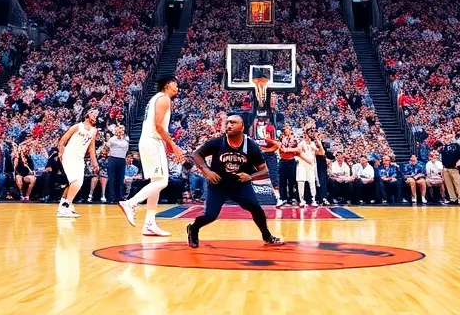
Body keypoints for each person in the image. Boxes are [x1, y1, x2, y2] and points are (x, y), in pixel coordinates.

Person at [185, 115, 284, 249]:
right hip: (218, 184)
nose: (229, 125)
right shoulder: (218, 142)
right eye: (228, 122)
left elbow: (264, 170)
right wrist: (207, 171)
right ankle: (193, 228)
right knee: (210, 215)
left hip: (240, 185)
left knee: (257, 210)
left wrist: (250, 176)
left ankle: (267, 236)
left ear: (242, 127)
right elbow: (197, 154)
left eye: (233, 122)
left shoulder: (251, 145)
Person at [119, 76, 183, 237]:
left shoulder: (155, 99)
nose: (178, 88)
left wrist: (166, 145)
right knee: (162, 181)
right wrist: (173, 145)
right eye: (175, 84)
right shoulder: (164, 99)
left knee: (156, 182)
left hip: (151, 141)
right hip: (152, 141)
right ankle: (130, 203)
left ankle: (149, 224)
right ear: (168, 85)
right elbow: (159, 125)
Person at [57, 108, 100, 218]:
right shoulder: (77, 126)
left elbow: (91, 149)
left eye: (97, 114)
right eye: (93, 112)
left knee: (75, 183)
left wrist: (95, 163)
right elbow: (63, 139)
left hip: (80, 159)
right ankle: (67, 206)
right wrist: (60, 151)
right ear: (87, 114)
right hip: (69, 155)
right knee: (76, 181)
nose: (96, 115)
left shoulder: (94, 131)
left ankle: (63, 206)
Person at [104, 125, 130, 202]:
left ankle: (120, 196)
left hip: (122, 159)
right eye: (119, 129)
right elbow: (107, 147)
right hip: (113, 159)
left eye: (122, 130)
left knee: (120, 178)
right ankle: (111, 197)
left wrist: (123, 138)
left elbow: (126, 148)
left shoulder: (126, 139)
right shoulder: (112, 139)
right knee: (112, 178)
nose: (121, 131)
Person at [295, 127, 318, 206]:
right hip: (302, 165)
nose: (311, 134)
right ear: (306, 134)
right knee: (301, 181)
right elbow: (297, 154)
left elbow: (316, 154)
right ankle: (301, 200)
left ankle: (313, 199)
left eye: (312, 133)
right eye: (310, 132)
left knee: (312, 182)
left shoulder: (313, 144)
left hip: (310, 165)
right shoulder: (301, 143)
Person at [440, 135, 460, 204]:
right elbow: (442, 158)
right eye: (445, 138)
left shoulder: (457, 145)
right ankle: (453, 198)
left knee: (458, 184)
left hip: (454, 168)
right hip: (446, 168)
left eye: (448, 138)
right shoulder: (444, 147)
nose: (447, 139)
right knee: (448, 184)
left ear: (451, 138)